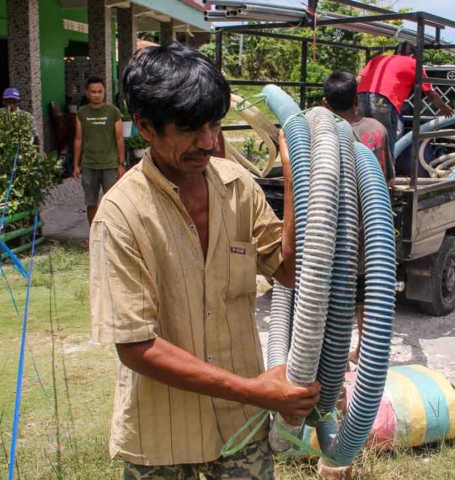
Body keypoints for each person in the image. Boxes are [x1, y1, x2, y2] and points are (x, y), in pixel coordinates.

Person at [90, 40, 320, 479]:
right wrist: (255, 391)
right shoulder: (121, 215)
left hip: (240, 424)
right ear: (145, 126)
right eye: (191, 129)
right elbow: (136, 348)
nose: (209, 142)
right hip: (161, 436)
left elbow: (290, 270)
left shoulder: (239, 186)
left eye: (214, 125)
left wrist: (296, 177)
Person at [324, 71, 394, 365]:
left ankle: (331, 357)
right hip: (370, 225)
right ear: (357, 99)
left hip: (332, 225)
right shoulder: (377, 129)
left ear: (325, 103)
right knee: (367, 290)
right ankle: (364, 349)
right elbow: (389, 178)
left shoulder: (321, 133)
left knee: (332, 290)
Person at [357, 41, 453, 155]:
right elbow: (430, 94)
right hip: (381, 102)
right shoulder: (413, 63)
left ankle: (360, 170)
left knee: (360, 137)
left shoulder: (378, 59)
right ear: (412, 56)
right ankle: (385, 172)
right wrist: (443, 107)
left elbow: (358, 79)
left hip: (360, 98)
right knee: (385, 140)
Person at [73, 76, 125, 227]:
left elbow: (119, 139)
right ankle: (93, 234)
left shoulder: (113, 111)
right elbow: (78, 139)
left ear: (104, 92)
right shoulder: (82, 113)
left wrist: (121, 164)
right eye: (93, 92)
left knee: (113, 202)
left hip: (110, 164)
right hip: (89, 165)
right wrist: (76, 164)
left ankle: (113, 233)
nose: (96, 95)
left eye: (99, 91)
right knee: (91, 202)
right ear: (87, 93)